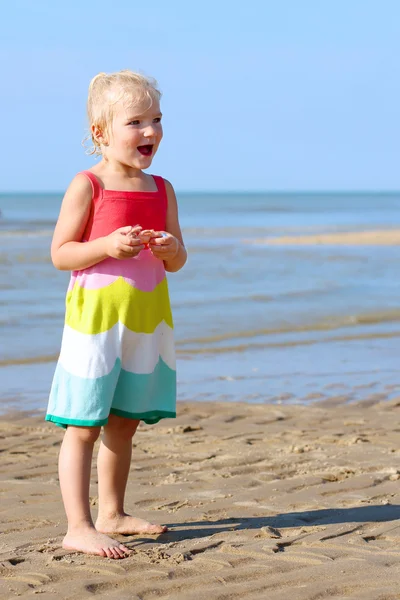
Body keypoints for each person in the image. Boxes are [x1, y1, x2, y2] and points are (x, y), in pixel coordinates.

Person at [45, 70, 187, 559]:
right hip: (96, 323)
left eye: (157, 120)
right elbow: (61, 253)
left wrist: (169, 248)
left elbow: (179, 258)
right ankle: (78, 525)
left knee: (124, 421)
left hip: (146, 320)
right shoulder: (87, 185)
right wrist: (105, 245)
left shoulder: (162, 189)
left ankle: (112, 512)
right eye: (136, 122)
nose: (150, 132)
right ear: (100, 133)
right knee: (83, 423)